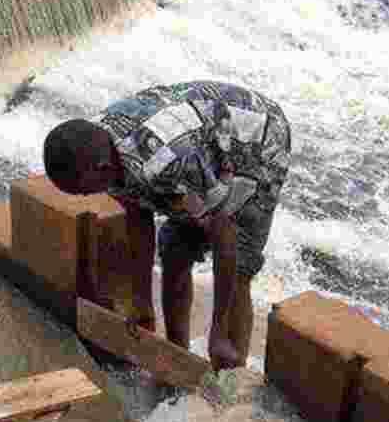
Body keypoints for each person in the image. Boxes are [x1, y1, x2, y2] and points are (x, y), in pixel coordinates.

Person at [43, 81, 291, 370]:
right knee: (175, 249)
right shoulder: (96, 150)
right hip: (201, 142)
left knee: (239, 269)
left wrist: (218, 332)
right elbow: (138, 216)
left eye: (85, 190)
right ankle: (177, 359)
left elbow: (224, 235)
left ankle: (230, 369)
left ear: (102, 168)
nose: (87, 196)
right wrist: (141, 303)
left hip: (257, 142)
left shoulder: (169, 163)